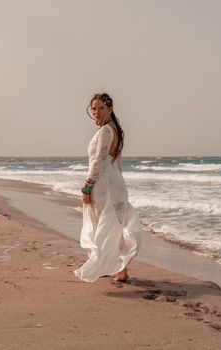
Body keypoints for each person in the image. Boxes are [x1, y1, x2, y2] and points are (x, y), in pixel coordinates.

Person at [74, 93, 142, 283]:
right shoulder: (117, 129)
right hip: (115, 180)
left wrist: (87, 186)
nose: (96, 112)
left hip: (103, 183)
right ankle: (119, 269)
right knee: (113, 226)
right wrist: (119, 182)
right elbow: (115, 162)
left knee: (99, 224)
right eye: (94, 109)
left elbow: (99, 159)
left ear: (110, 109)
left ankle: (107, 266)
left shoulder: (105, 130)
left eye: (101, 108)